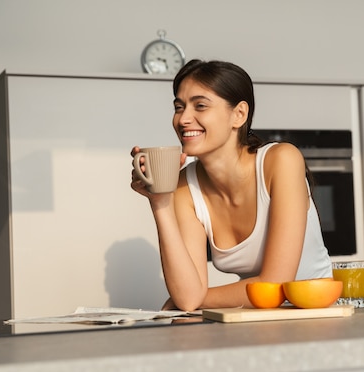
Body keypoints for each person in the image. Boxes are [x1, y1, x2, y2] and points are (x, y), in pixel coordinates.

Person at [131, 59, 332, 311]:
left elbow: (276, 284)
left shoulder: (281, 160)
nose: (183, 119)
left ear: (239, 114)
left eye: (200, 106)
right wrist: (159, 202)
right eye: (179, 107)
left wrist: (193, 301)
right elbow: (188, 296)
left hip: (317, 316)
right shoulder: (185, 186)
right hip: (252, 320)